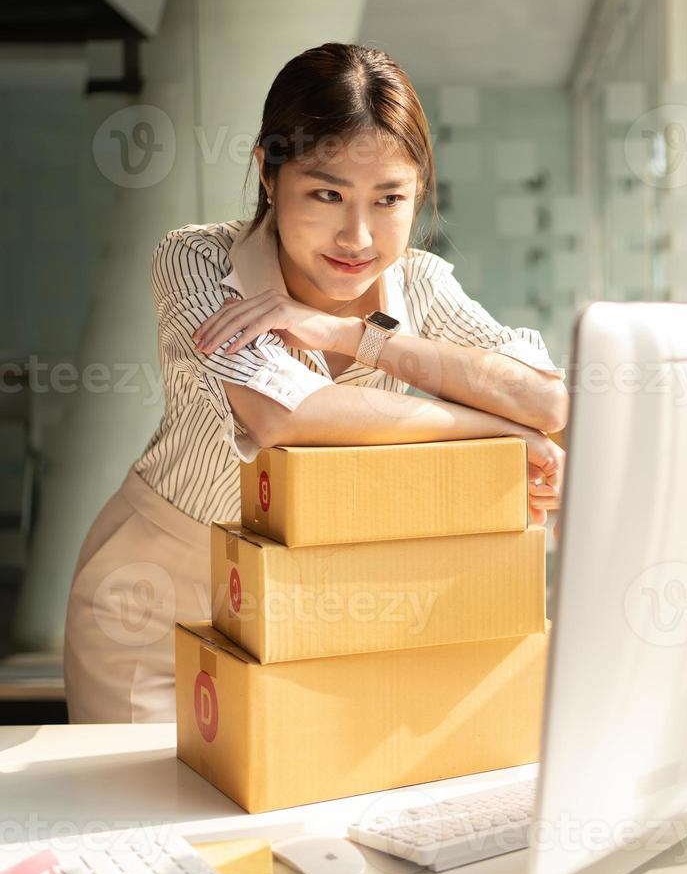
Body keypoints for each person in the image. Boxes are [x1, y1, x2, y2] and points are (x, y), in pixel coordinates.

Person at [63, 43, 569, 723]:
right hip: (158, 602)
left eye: (389, 199)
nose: (358, 236)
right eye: (326, 193)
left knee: (292, 823)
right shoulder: (198, 261)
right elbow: (282, 415)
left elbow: (548, 398)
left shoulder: (419, 283)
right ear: (269, 176)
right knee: (150, 827)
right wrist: (500, 431)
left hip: (312, 610)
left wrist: (355, 335)